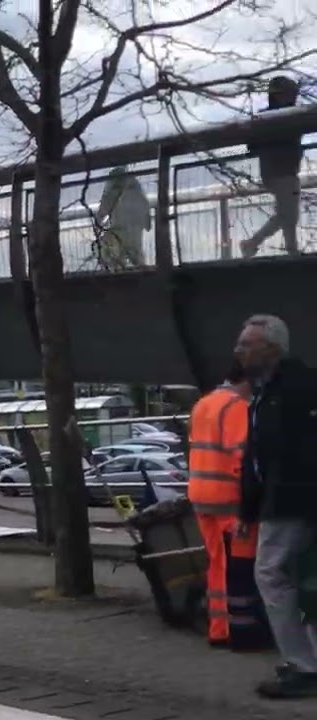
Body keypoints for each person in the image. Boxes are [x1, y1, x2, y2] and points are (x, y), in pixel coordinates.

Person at [235, 313, 317, 698]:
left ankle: (303, 665)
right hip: (287, 501)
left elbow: (273, 457)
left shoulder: (290, 390)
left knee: (271, 574)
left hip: (290, 502)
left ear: (271, 348)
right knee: (303, 578)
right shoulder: (267, 392)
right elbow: (257, 457)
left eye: (246, 344)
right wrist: (248, 509)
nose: (238, 350)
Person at [188, 359, 267, 649]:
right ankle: (243, 630)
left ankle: (219, 629)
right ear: (249, 381)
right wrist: (253, 497)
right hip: (229, 499)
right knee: (240, 567)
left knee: (217, 564)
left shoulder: (203, 404)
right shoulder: (236, 407)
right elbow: (241, 457)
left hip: (201, 494)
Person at [240, 76, 303, 259]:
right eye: (291, 94)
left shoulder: (268, 117)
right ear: (280, 95)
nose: (294, 97)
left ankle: (291, 250)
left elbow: (252, 145)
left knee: (287, 214)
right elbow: (253, 144)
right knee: (288, 214)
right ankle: (253, 243)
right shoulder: (282, 117)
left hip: (278, 171)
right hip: (281, 171)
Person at [96, 166, 150, 271]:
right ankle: (141, 273)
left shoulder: (114, 187)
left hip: (120, 227)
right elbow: (145, 206)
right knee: (136, 252)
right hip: (136, 226)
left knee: (116, 253)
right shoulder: (136, 188)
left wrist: (98, 221)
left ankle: (118, 273)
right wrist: (146, 222)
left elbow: (106, 203)